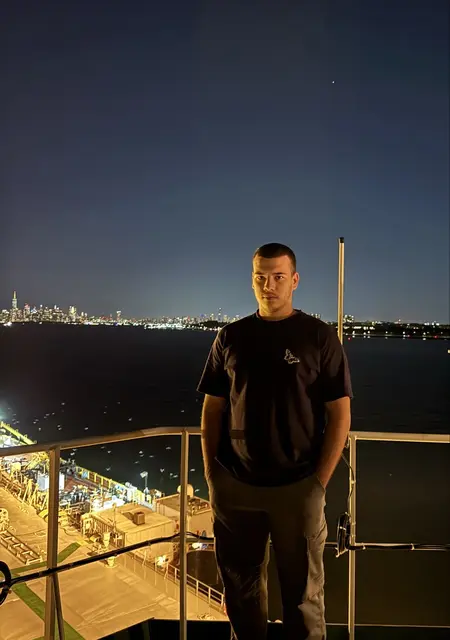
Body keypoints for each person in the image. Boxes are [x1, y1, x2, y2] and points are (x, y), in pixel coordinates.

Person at [197, 243, 352, 640]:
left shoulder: (318, 337)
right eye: (260, 277)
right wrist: (214, 475)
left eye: (278, 277)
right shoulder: (231, 337)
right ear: (252, 280)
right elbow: (213, 408)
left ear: (295, 281)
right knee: (241, 593)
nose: (269, 286)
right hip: (236, 487)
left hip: (298, 487)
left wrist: (317, 484)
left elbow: (340, 414)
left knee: (304, 598)